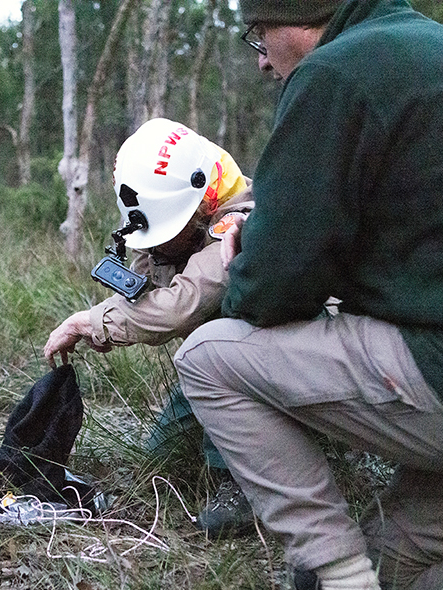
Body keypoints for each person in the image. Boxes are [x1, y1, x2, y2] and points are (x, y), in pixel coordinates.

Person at [173, 1, 443, 589]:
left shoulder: (335, 74)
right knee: (397, 565)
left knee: (208, 358)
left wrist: (249, 255)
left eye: (258, 36)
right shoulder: (427, 45)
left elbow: (274, 286)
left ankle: (339, 572)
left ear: (297, 19)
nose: (263, 61)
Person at [44, 117, 256, 537]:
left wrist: (95, 322)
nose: (156, 244)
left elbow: (184, 304)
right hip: (210, 355)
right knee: (160, 456)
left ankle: (243, 484)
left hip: (271, 348)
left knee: (229, 317)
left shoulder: (241, 219)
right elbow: (151, 286)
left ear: (197, 208)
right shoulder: (166, 207)